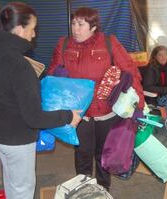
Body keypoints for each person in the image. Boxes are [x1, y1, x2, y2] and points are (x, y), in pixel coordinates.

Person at [0, 2, 81, 199]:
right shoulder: (19, 65)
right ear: (19, 30)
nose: (34, 35)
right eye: (32, 29)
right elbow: (34, 118)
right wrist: (68, 116)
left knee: (12, 183)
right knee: (23, 190)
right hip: (16, 137)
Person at [47, 7, 145, 191]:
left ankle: (102, 190)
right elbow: (51, 74)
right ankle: (82, 190)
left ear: (93, 26)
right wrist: (56, 74)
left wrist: (139, 104)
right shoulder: (64, 44)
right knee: (82, 153)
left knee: (103, 155)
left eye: (80, 24)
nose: (75, 28)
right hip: (79, 113)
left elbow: (131, 71)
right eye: (73, 23)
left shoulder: (109, 42)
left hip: (105, 112)